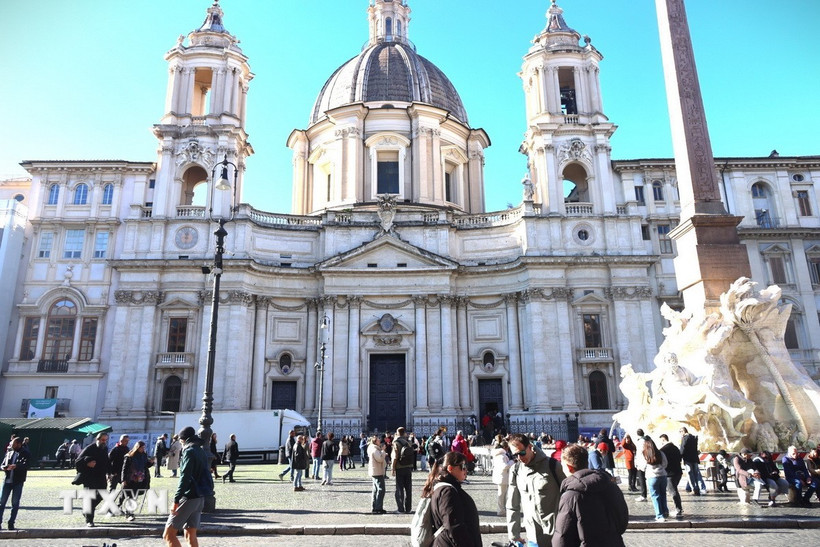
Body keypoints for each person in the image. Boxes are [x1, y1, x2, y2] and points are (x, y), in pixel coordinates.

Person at [553, 443, 628, 547]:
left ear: (569, 467)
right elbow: (622, 521)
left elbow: (563, 536)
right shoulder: (611, 486)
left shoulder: (570, 496)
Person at [506, 432, 566, 546]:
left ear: (530, 447)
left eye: (522, 453)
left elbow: (568, 496)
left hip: (556, 533)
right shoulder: (516, 470)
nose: (519, 458)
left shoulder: (553, 466)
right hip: (533, 536)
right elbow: (512, 505)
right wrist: (514, 535)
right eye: (515, 455)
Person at [163, 426, 213, 547]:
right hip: (200, 496)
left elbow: (185, 477)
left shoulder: (189, 451)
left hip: (189, 496)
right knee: (190, 534)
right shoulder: (200, 450)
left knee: (168, 534)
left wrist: (176, 500)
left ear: (183, 439)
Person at [422, 450, 482, 546]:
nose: (465, 470)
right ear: (450, 468)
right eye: (462, 467)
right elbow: (454, 526)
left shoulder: (446, 488)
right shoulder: (447, 491)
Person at [76, 432, 111, 527]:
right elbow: (78, 461)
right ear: (97, 439)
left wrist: (109, 473)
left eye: (106, 440)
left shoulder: (104, 449)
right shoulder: (89, 448)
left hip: (101, 477)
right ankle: (89, 520)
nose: (104, 442)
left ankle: (86, 510)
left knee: (101, 495)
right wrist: (87, 464)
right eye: (103, 440)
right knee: (90, 498)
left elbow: (106, 462)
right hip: (89, 477)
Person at [0, 436, 30, 530]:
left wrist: (16, 466)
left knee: (15, 503)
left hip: (18, 481)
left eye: (13, 444)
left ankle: (11, 523)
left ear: (19, 444)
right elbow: (2, 464)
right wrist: (4, 467)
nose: (11, 445)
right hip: (7, 480)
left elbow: (26, 465)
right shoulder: (9, 452)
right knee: (1, 503)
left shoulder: (25, 453)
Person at [121, 440, 153, 521]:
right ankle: (129, 513)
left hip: (140, 479)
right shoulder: (129, 456)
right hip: (130, 479)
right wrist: (123, 479)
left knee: (134, 496)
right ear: (137, 447)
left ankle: (129, 512)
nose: (143, 449)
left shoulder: (144, 455)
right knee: (130, 496)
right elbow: (124, 469)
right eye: (141, 447)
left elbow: (145, 465)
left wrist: (151, 462)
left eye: (144, 447)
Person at [643, 436, 668, 521]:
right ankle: (665, 512)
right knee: (663, 494)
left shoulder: (644, 454)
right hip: (663, 476)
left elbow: (642, 466)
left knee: (655, 496)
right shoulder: (660, 453)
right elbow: (665, 463)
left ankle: (659, 515)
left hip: (652, 477)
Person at [658, 433, 684, 518]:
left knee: (673, 491)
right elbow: (680, 458)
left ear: (663, 439)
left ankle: (678, 509)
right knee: (674, 490)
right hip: (678, 472)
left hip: (670, 474)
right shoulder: (675, 448)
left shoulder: (663, 450)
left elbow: (662, 463)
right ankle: (678, 508)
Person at [392, 426, 414, 513]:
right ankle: (408, 508)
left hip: (400, 467)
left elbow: (395, 457)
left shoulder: (396, 443)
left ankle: (400, 509)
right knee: (408, 488)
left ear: (397, 433)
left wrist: (393, 468)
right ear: (404, 433)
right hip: (408, 467)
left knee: (399, 488)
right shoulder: (408, 442)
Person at [490, 440, 513, 516]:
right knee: (502, 495)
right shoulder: (502, 456)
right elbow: (504, 466)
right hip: (503, 477)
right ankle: (501, 510)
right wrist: (512, 462)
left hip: (501, 476)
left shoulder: (498, 455)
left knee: (502, 494)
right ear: (505, 448)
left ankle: (502, 509)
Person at [679, 427, 702, 495]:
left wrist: (680, 457)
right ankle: (697, 488)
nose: (680, 434)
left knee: (690, 474)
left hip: (688, 459)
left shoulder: (685, 438)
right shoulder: (694, 437)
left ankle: (694, 489)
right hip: (694, 458)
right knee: (695, 474)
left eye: (680, 432)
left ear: (683, 431)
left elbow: (682, 448)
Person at [367, 435, 387, 513]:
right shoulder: (375, 449)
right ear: (375, 442)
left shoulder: (372, 448)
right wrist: (383, 451)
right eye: (378, 440)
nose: (380, 441)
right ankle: (378, 507)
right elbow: (380, 458)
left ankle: (375, 506)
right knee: (381, 489)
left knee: (375, 489)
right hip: (377, 471)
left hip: (375, 471)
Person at [634, 429, 648, 502]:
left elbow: (639, 453)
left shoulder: (640, 441)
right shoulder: (648, 439)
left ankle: (643, 495)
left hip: (641, 463)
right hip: (647, 462)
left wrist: (637, 463)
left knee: (642, 480)